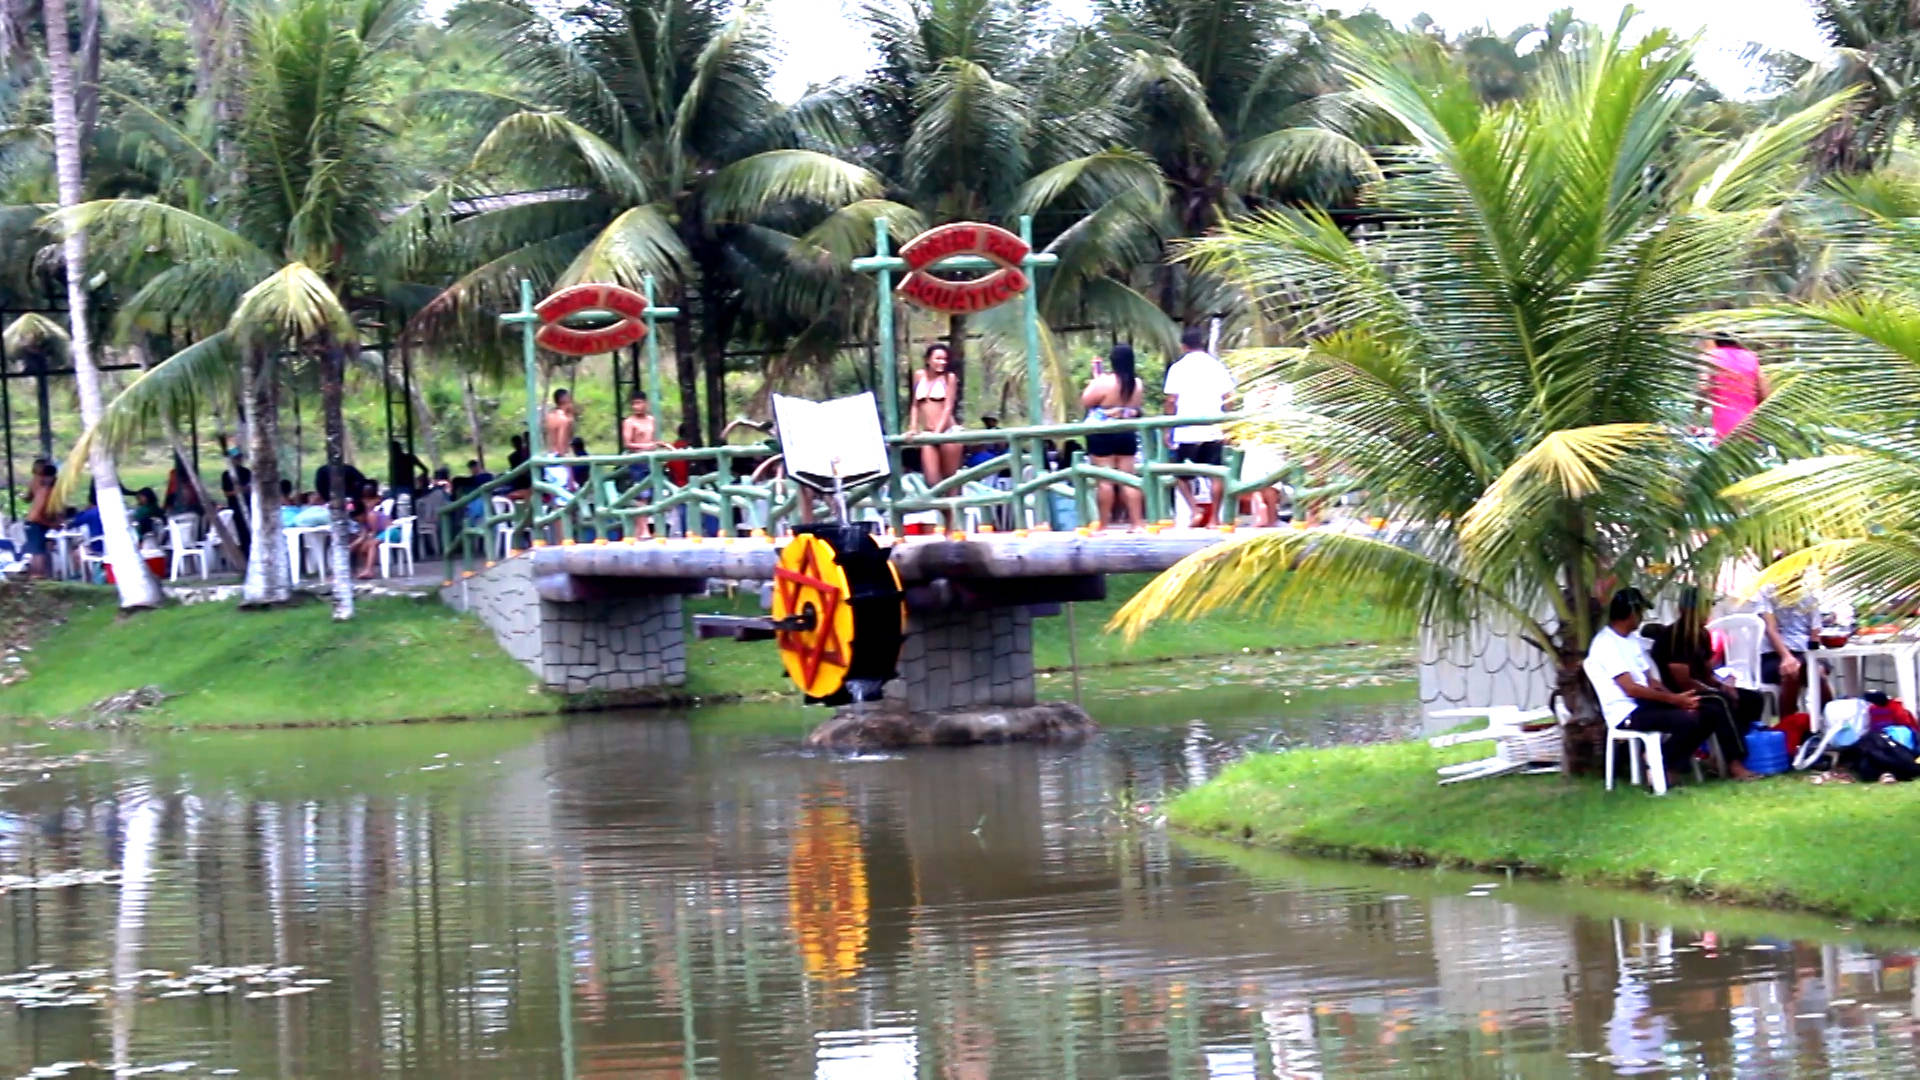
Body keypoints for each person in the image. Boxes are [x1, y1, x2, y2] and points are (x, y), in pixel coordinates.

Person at [1583, 588, 1712, 789]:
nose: (1642, 617)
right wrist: (1675, 701)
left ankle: (1665, 765)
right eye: (1640, 612)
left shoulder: (1631, 640)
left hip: (1645, 705)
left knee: (1703, 712)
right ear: (1632, 613)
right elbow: (1631, 689)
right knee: (1687, 721)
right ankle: (1661, 767)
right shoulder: (1605, 645)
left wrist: (1677, 698)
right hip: (1626, 712)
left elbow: (1649, 681)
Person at [1642, 593, 1759, 779]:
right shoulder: (1675, 636)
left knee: (1752, 699)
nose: (1707, 612)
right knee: (1720, 700)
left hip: (1699, 688)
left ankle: (1720, 754)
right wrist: (1714, 690)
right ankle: (1734, 763)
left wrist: (1722, 685)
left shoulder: (1702, 634)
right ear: (1688, 610)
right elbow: (1683, 680)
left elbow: (1705, 672)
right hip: (1678, 693)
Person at [1164, 325, 1238, 527]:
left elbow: (1171, 400)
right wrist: (1226, 419)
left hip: (1186, 429)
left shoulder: (1178, 368)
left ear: (1183, 346)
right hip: (1213, 427)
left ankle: (1195, 510)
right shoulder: (1217, 366)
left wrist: (1168, 428)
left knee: (1181, 475)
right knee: (1216, 473)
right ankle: (1214, 518)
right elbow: (1229, 397)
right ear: (1202, 343)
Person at [1080, 344, 1147, 530]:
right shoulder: (1137, 384)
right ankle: (1137, 522)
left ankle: (1103, 524)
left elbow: (1086, 400)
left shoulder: (1104, 382)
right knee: (1129, 478)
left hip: (1102, 433)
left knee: (1105, 480)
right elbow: (1135, 406)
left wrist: (1095, 380)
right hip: (1126, 432)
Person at [1755, 572, 1819, 715]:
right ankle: (1788, 724)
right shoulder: (1767, 592)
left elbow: (1815, 631)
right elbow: (1770, 629)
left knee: (1817, 672)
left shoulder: (1810, 593)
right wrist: (1786, 656)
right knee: (1791, 671)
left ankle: (1828, 721)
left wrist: (1813, 656)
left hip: (1804, 653)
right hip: (1773, 654)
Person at [907, 343, 962, 487]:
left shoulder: (949, 377)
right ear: (928, 360)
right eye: (938, 358)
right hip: (928, 433)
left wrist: (938, 434)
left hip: (947, 432)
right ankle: (941, 508)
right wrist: (913, 427)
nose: (942, 362)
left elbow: (948, 407)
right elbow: (915, 405)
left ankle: (954, 508)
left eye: (945, 359)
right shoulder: (919, 375)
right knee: (932, 481)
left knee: (950, 482)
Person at [1704, 335, 1766, 444]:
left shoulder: (1711, 356)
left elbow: (1703, 387)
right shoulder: (1751, 357)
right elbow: (1763, 393)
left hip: (1724, 425)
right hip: (1749, 424)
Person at [23, 461, 57, 578]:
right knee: (38, 554)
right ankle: (37, 577)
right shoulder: (45, 491)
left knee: (40, 552)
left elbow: (28, 498)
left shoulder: (46, 489)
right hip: (34, 524)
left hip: (38, 524)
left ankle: (40, 576)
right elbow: (36, 516)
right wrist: (51, 524)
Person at [621, 394, 664, 485]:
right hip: (637, 461)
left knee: (656, 489)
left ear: (646, 403)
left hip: (652, 460)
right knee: (642, 492)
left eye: (638, 403)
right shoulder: (629, 422)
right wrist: (647, 446)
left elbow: (654, 440)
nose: (635, 407)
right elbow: (627, 444)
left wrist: (663, 445)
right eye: (633, 404)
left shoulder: (651, 419)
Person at [544, 389, 576, 492]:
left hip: (549, 457)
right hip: (559, 461)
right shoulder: (563, 420)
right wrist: (570, 473)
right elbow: (561, 447)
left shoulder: (550, 417)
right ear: (565, 400)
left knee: (554, 495)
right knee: (566, 495)